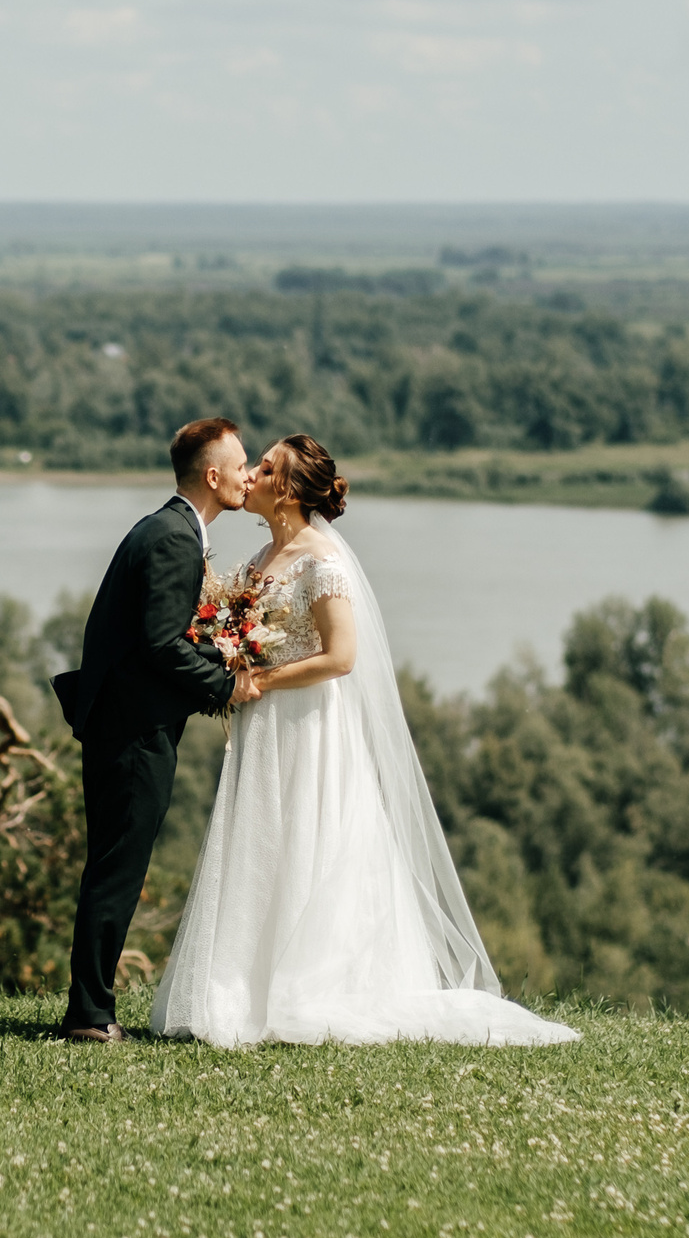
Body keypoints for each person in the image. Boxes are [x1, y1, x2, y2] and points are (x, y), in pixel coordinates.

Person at [151, 434, 578, 1048]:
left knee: (308, 839)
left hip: (309, 726)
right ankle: (240, 987)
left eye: (266, 467)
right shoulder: (256, 559)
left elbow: (342, 656)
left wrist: (258, 676)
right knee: (262, 843)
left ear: (290, 491)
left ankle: (309, 986)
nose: (255, 474)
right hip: (263, 725)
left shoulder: (322, 560)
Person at [51, 418, 263, 1043]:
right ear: (213, 474)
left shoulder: (165, 527)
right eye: (242, 464)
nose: (249, 475)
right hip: (135, 733)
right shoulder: (173, 537)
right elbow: (160, 644)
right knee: (118, 871)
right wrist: (226, 683)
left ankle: (89, 1007)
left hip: (126, 726)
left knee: (112, 867)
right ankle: (89, 1016)